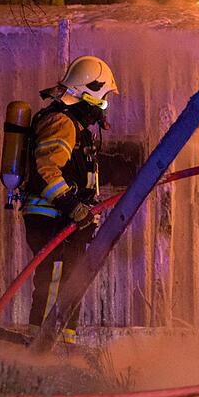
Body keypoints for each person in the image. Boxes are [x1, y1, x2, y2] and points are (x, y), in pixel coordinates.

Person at [21, 55, 139, 344]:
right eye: (103, 100)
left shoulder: (72, 124)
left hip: (63, 219)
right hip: (53, 218)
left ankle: (64, 345)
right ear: (88, 93)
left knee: (67, 284)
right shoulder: (62, 122)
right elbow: (46, 170)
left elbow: (76, 171)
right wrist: (73, 208)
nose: (104, 108)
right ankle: (42, 352)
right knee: (53, 282)